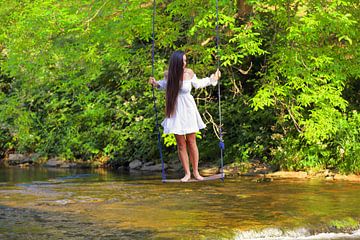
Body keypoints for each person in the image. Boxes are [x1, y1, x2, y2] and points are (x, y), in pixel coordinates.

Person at [149, 50, 221, 182]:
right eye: (182, 61)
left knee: (192, 141)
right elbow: (162, 85)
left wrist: (213, 79)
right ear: (176, 62)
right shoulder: (169, 75)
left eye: (185, 60)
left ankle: (196, 172)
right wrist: (154, 83)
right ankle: (187, 173)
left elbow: (199, 84)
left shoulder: (189, 73)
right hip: (176, 110)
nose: (185, 63)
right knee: (181, 144)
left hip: (188, 109)